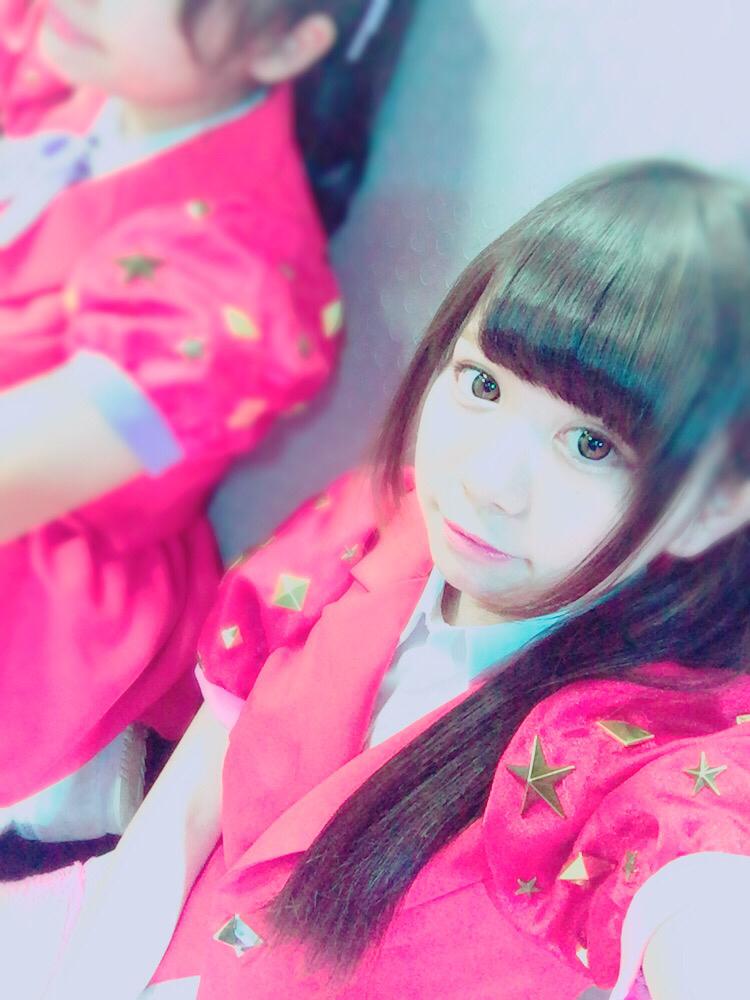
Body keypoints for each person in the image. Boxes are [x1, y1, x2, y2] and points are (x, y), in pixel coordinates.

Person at [5, 158, 750, 999]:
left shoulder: (670, 748)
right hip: (141, 941)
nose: (486, 480)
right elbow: (183, 816)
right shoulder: (367, 525)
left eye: (591, 445)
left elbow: (704, 888)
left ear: (714, 507)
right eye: (483, 384)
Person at [0, 0, 413, 844]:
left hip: (36, 585)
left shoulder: (237, 288)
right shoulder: (69, 49)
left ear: (285, 45)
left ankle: (75, 789)